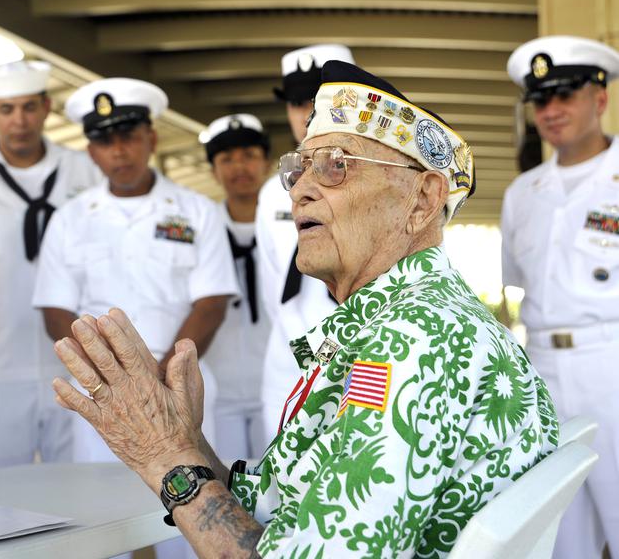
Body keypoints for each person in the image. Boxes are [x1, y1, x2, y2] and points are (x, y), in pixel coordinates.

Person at [50, 61, 558, 557]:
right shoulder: (406, 320)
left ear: (422, 200)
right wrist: (188, 444)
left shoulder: (415, 341)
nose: (299, 190)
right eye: (298, 169)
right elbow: (286, 508)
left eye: (337, 165)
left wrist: (163, 455)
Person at [33, 77, 238, 462]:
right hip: (100, 387)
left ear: (152, 140)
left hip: (178, 381)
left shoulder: (196, 211)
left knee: (190, 496)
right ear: (92, 152)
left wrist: (164, 377)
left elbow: (211, 305)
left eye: (129, 136)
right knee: (100, 500)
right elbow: (54, 311)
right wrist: (108, 376)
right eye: (105, 142)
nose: (119, 151)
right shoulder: (69, 219)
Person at [0, 60, 104, 469]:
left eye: (29, 107)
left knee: (82, 487)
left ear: (46, 107)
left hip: (78, 362)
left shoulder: (84, 171)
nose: (19, 121)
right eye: (6, 109)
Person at [502, 35, 619, 559]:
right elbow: (514, 285)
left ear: (600, 98)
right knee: (559, 529)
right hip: (543, 370)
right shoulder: (522, 194)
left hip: (610, 362)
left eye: (564, 95)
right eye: (540, 100)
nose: (551, 111)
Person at [256, 44, 355, 439]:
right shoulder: (270, 195)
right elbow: (271, 290)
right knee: (276, 488)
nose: (306, 112)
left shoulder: (377, 182)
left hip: (356, 357)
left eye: (318, 99)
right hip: (286, 359)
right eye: (297, 102)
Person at [199, 114, 272, 460]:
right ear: (213, 171)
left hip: (278, 382)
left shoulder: (294, 223)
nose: (239, 167)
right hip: (219, 386)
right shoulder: (202, 226)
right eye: (226, 159)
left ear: (267, 163)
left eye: (249, 155)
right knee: (228, 481)